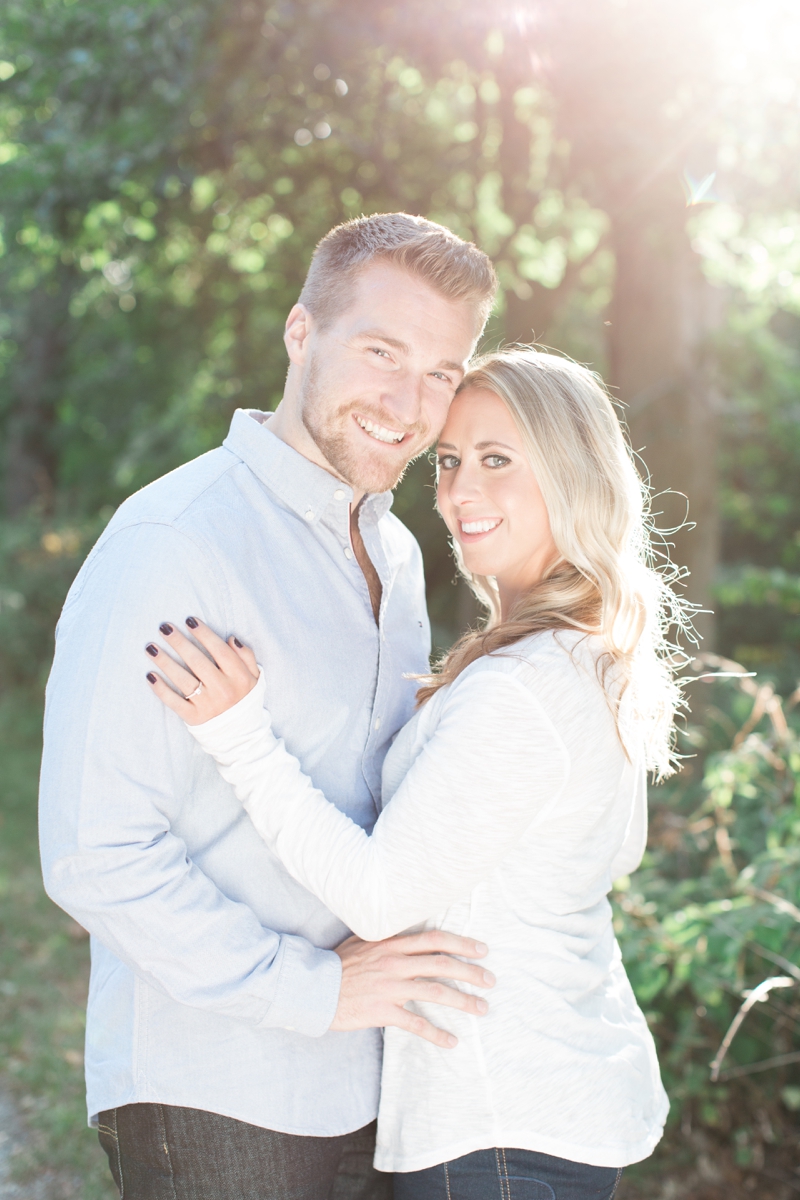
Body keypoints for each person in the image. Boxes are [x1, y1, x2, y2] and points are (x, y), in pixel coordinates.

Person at [146, 348, 687, 1200]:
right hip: (541, 1106)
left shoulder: (526, 687)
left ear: (573, 474)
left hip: (500, 1125)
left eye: (497, 460)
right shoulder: (579, 660)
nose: (460, 492)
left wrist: (239, 735)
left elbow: (378, 892)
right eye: (449, 460)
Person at [38, 213, 499, 1199]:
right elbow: (94, 853)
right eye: (380, 352)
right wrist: (313, 992)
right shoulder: (177, 540)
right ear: (301, 334)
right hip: (217, 1085)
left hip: (376, 1076)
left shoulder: (396, 555)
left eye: (439, 373)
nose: (406, 401)